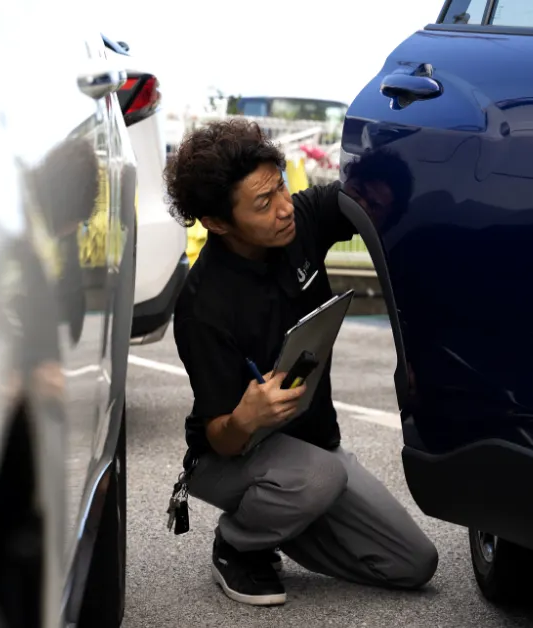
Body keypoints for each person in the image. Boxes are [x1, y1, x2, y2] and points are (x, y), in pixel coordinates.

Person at [165, 119, 438, 607]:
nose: (285, 207)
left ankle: (282, 519)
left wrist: (405, 154)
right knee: (318, 478)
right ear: (218, 222)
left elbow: (367, 194)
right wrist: (247, 415)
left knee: (413, 563)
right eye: (263, 203)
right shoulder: (203, 307)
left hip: (313, 447)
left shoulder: (301, 220)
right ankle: (238, 544)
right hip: (231, 456)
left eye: (282, 186)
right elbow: (218, 435)